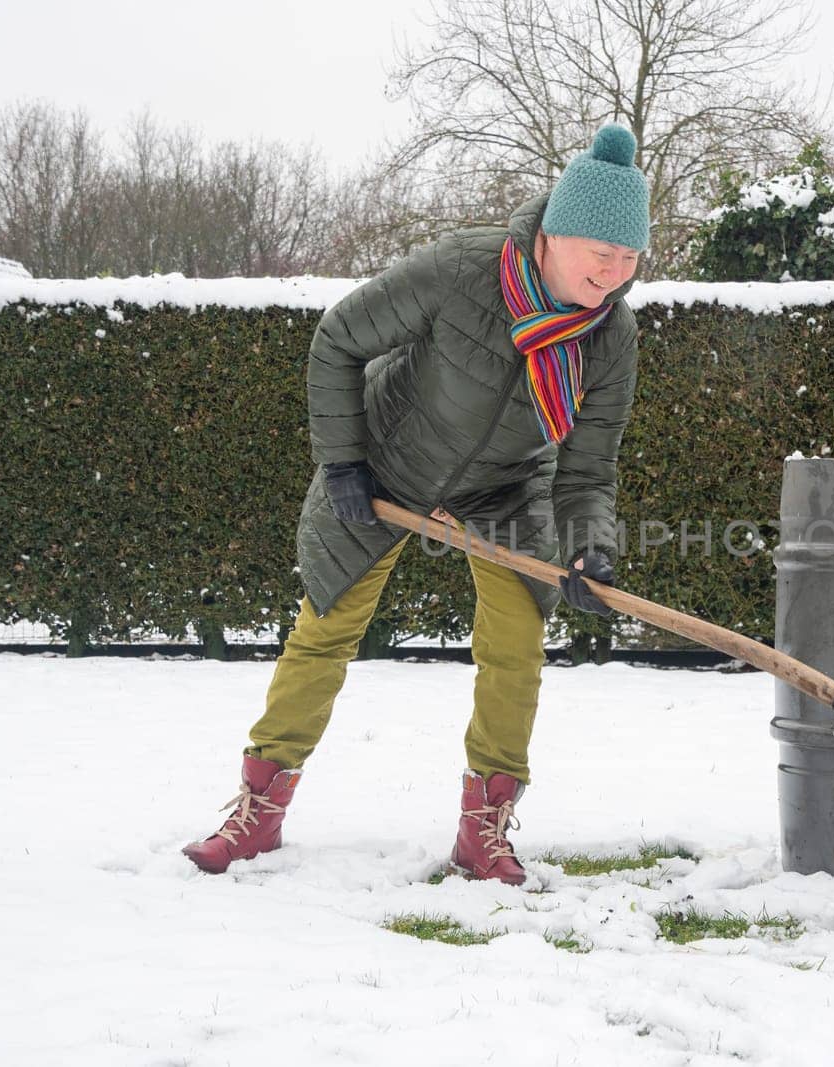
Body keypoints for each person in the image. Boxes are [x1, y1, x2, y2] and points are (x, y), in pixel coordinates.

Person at [182, 124, 648, 885]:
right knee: (325, 627)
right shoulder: (463, 270)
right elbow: (338, 338)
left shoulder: (611, 333)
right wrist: (343, 464)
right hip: (389, 460)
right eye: (605, 254)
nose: (617, 272)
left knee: (517, 639)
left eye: (630, 258)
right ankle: (256, 813)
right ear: (558, 234)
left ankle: (482, 831)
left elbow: (588, 466)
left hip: (505, 483)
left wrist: (586, 548)